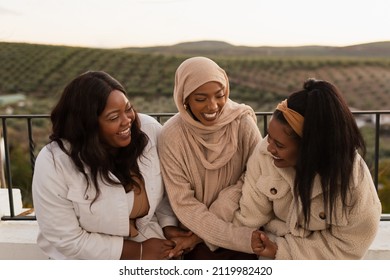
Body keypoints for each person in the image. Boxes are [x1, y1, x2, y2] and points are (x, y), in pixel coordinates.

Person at [32, 71, 190, 260]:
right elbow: (67, 239)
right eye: (113, 117)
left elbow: (164, 188)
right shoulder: (54, 162)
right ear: (87, 125)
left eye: (128, 109)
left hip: (150, 241)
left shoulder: (149, 131)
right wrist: (138, 252)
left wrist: (168, 224)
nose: (127, 121)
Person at [231, 78, 381, 259]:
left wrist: (281, 249)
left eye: (279, 145)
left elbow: (349, 248)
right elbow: (249, 218)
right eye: (269, 137)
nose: (269, 148)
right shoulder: (264, 154)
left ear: (311, 148)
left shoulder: (354, 183)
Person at [157, 56, 262, 259]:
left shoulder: (242, 123)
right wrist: (198, 237)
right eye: (200, 99)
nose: (213, 106)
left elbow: (257, 177)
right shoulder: (171, 135)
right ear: (184, 98)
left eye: (219, 95)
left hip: (242, 221)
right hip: (192, 229)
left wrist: (200, 234)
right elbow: (183, 201)